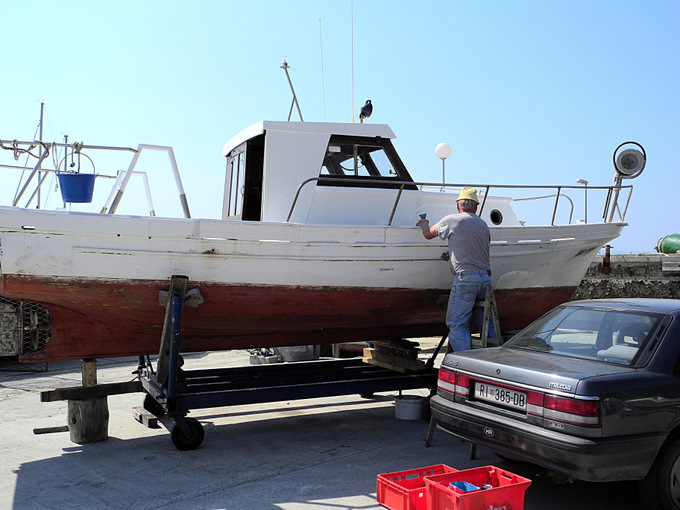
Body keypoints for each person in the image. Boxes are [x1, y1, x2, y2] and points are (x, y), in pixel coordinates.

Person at [416, 187, 494, 351]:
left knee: (456, 322)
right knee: (485, 322)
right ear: (476, 207)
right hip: (485, 279)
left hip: (466, 279)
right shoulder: (483, 224)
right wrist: (451, 254)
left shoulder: (451, 219)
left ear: (458, 205)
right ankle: (493, 354)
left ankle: (464, 361)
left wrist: (424, 224)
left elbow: (428, 234)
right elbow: (475, 248)